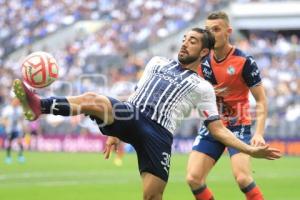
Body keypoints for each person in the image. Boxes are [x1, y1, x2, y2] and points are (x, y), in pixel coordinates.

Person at [13, 28, 280, 200]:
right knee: (93, 99)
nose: (185, 44)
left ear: (205, 52)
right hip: (132, 114)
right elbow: (134, 95)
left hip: (159, 136)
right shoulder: (156, 62)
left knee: (152, 197)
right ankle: (39, 106)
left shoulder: (203, 88)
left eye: (193, 42)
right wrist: (115, 131)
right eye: (185, 39)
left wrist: (249, 149)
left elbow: (218, 130)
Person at [186, 12, 269, 200]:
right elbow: (190, 94)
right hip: (213, 124)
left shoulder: (244, 61)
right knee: (193, 178)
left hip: (237, 125)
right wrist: (207, 93)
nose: (211, 34)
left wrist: (259, 133)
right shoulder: (201, 60)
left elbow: (262, 100)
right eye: (208, 30)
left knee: (242, 178)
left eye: (216, 29)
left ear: (228, 31)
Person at [2, 97, 26, 164]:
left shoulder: (20, 109)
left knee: (19, 141)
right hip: (9, 129)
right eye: (15, 101)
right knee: (9, 142)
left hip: (17, 128)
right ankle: (8, 157)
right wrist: (6, 124)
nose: (16, 103)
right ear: (12, 101)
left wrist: (23, 127)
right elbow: (3, 119)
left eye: (17, 102)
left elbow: (21, 119)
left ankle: (20, 156)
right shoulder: (7, 109)